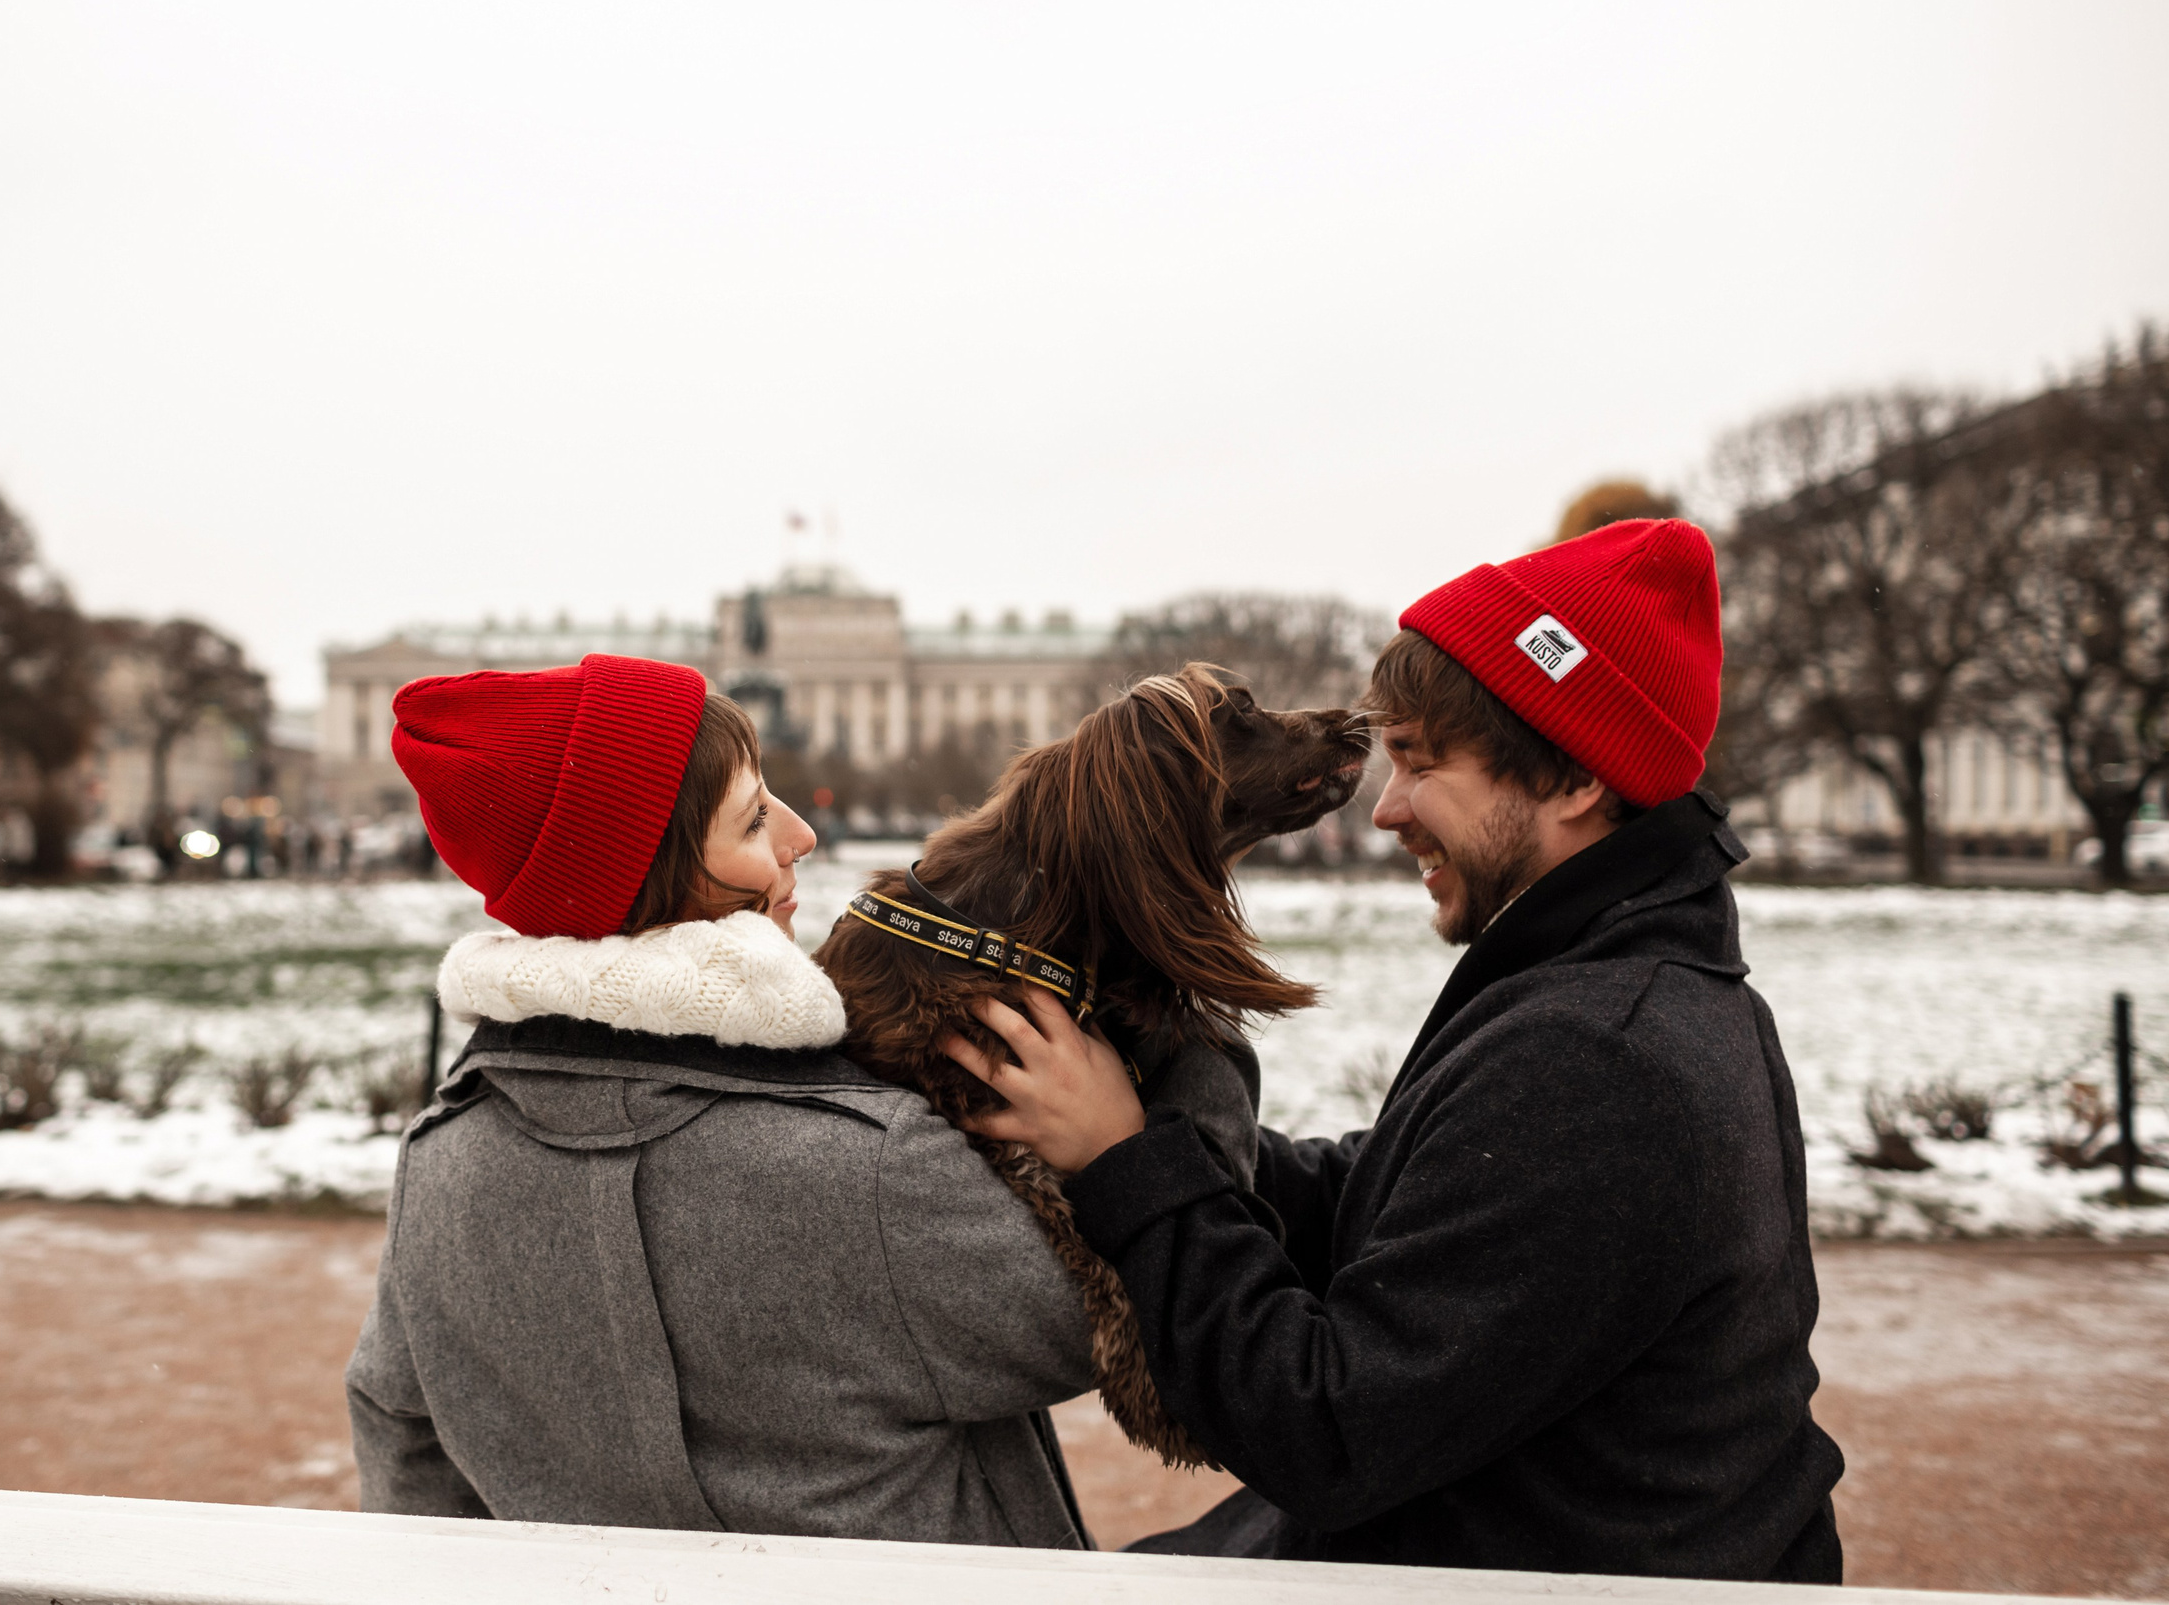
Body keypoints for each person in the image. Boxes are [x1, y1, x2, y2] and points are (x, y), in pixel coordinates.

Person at [944, 519, 1845, 1580]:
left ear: (1572, 783)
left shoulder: (1603, 1060)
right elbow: (1399, 1205)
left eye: (1420, 764)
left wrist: (1122, 1167)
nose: (1386, 810)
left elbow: (1322, 1430)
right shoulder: (1627, 986)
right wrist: (1150, 1116)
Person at [344, 653, 1095, 1546]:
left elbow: (402, 1444)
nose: (801, 833)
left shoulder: (442, 1162)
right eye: (752, 818)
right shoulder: (868, 1161)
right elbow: (1147, 1329)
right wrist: (1143, 1100)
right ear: (654, 877)